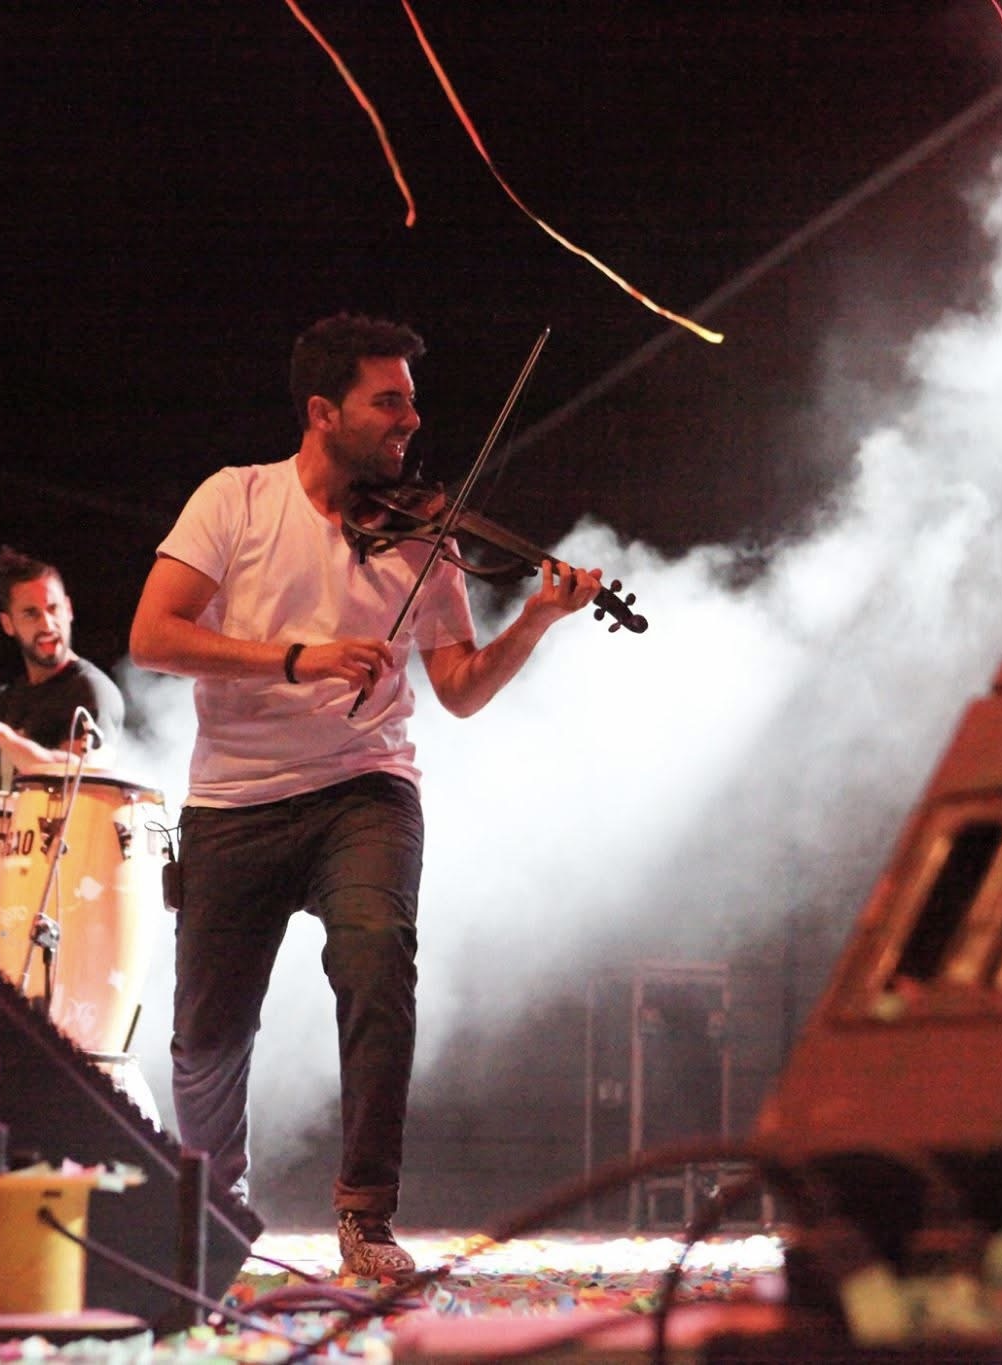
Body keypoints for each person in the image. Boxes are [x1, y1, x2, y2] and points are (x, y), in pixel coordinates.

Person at [129, 313, 602, 1279]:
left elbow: (460, 686)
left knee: (378, 961)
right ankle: (214, 1207)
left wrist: (539, 622)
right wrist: (296, 658)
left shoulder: (419, 533)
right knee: (206, 1030)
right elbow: (154, 635)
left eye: (411, 400)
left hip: (366, 789)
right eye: (388, 400)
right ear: (321, 411)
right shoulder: (236, 500)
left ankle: (365, 1217)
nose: (411, 419)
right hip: (235, 799)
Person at [0, 545, 127, 778]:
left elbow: (77, 775)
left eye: (53, 608)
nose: (47, 625)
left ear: (68, 609)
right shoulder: (9, 698)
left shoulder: (90, 690)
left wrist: (1, 735)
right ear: (7, 624)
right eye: (31, 613)